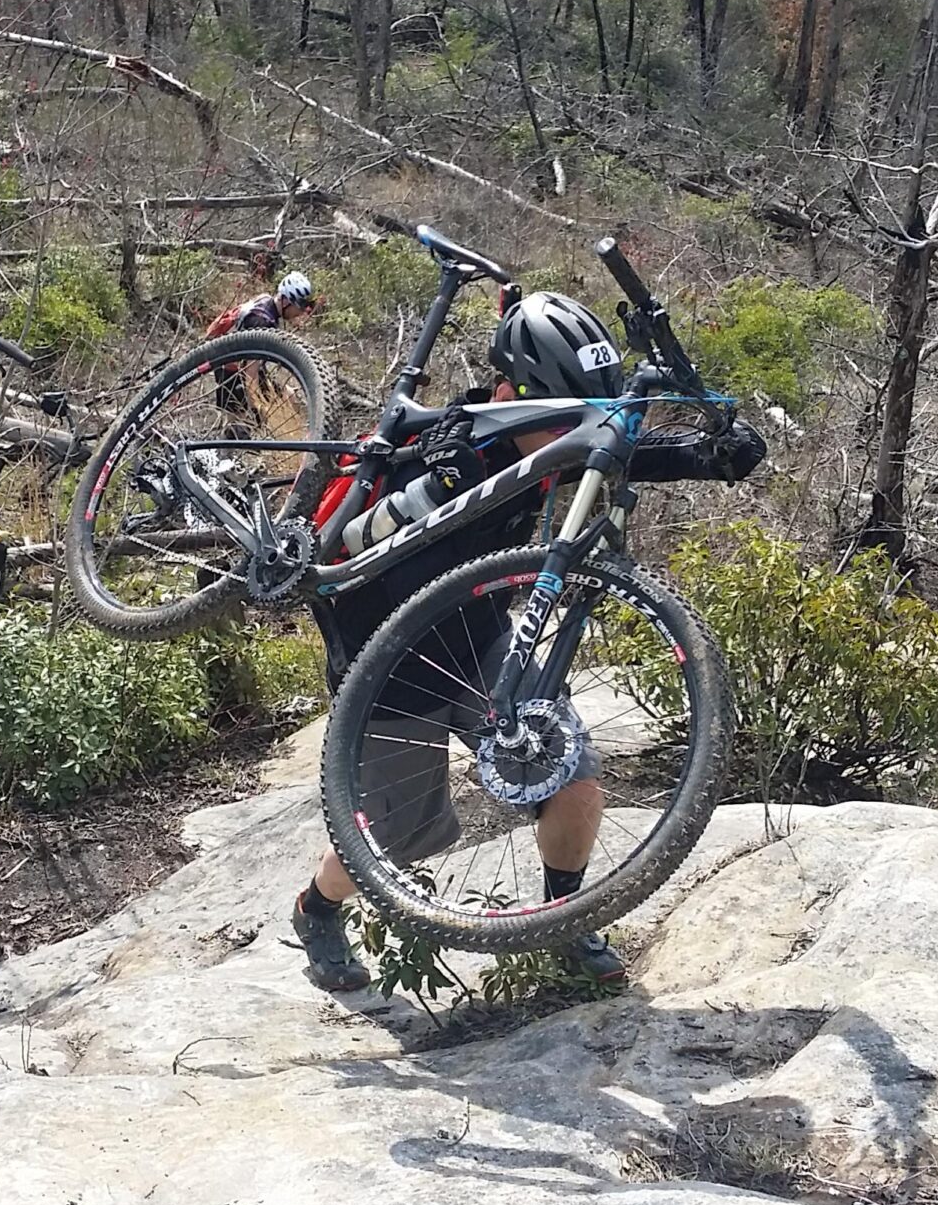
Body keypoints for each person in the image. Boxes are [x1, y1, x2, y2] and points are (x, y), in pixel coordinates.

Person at [289, 291, 767, 993]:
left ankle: (561, 917)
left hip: (483, 647)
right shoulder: (446, 442)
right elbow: (347, 549)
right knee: (399, 837)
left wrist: (712, 455)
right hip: (386, 664)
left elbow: (625, 447)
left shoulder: (552, 438)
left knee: (572, 780)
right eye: (562, 416)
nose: (575, 432)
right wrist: (434, 485)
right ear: (512, 394)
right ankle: (317, 910)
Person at [207, 270, 317, 336]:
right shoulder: (262, 321)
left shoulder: (266, 299)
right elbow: (250, 370)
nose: (300, 312)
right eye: (298, 307)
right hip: (229, 366)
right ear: (286, 301)